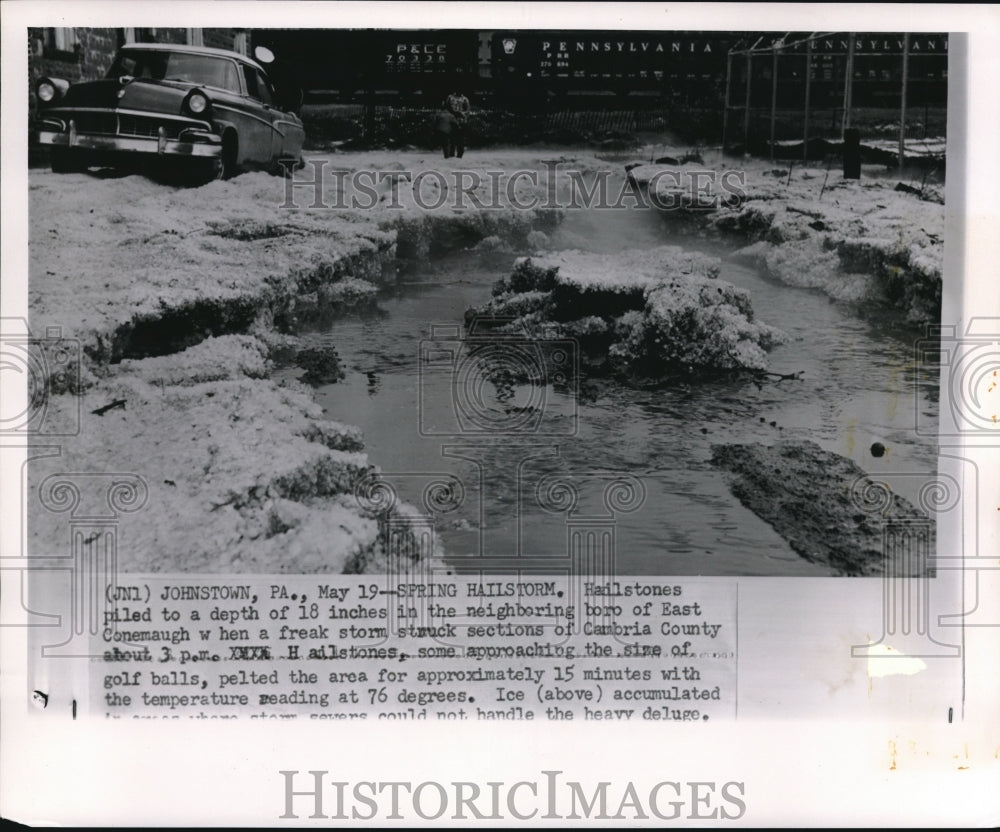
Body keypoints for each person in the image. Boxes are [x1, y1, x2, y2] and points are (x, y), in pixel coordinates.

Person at [443, 89, 471, 158]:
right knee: (451, 137)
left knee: (460, 138)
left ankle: (459, 154)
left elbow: (468, 110)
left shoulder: (465, 99)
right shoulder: (450, 97)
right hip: (451, 120)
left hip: (461, 121)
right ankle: (451, 153)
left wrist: (462, 114)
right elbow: (446, 107)